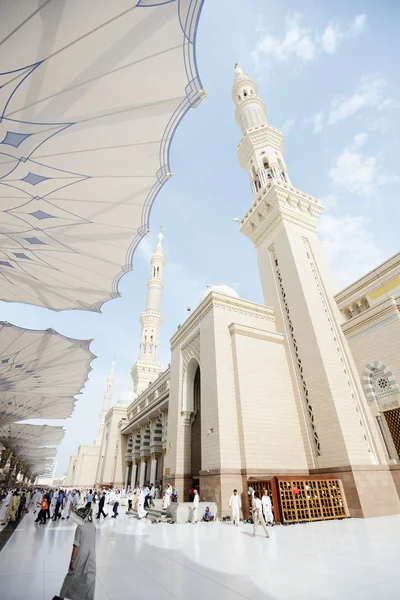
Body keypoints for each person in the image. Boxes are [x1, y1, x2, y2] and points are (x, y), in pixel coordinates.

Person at [52, 505, 96, 600]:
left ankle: (61, 597)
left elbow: (76, 545)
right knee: (88, 579)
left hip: (80, 556)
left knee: (71, 576)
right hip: (91, 556)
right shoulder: (92, 525)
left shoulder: (80, 528)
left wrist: (72, 560)